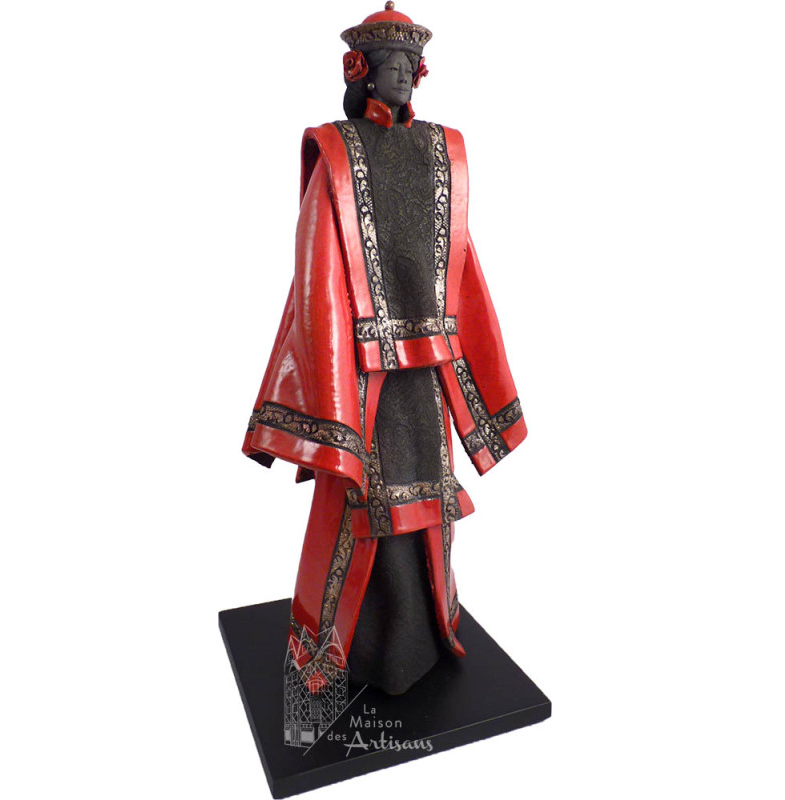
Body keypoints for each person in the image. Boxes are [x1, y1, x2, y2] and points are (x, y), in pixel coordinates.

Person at [243, 3, 526, 695]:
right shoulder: (337, 150)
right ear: (362, 70)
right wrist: (330, 375)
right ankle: (351, 648)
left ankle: (426, 628)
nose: (401, 74)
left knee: (428, 500)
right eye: (389, 64)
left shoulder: (439, 149)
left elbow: (459, 258)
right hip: (363, 370)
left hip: (426, 370)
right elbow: (316, 266)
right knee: (362, 504)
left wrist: (477, 357)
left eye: (409, 64)